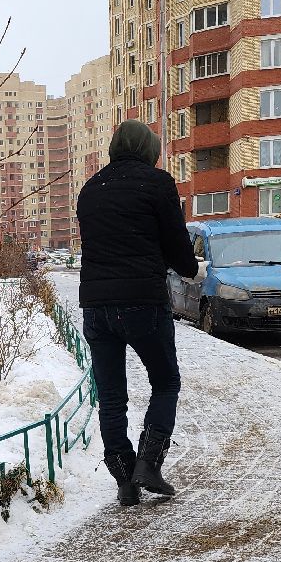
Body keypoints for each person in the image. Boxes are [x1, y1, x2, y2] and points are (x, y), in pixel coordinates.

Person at [76, 120, 197, 506]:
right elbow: (178, 249)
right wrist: (188, 267)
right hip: (143, 302)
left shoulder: (90, 189)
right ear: (149, 149)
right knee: (165, 382)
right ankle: (149, 462)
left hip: (96, 306)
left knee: (111, 397)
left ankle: (125, 479)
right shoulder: (157, 183)